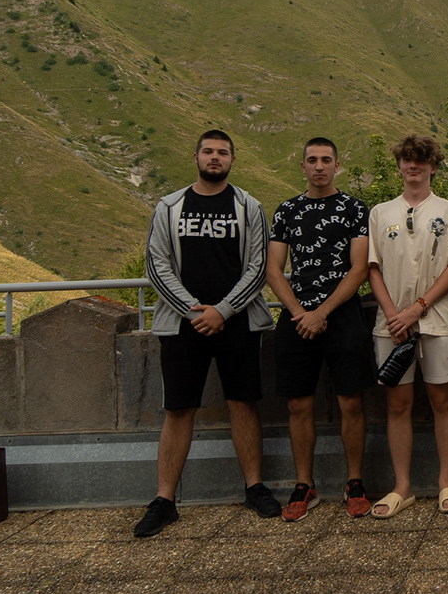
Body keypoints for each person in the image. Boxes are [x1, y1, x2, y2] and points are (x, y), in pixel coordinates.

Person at [134, 129, 278, 537]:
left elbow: (259, 267)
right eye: (209, 152)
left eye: (223, 152)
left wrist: (223, 310)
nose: (215, 158)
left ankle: (254, 487)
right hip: (184, 324)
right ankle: (164, 500)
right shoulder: (169, 206)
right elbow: (156, 264)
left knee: (243, 403)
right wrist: (194, 310)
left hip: (238, 322)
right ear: (196, 157)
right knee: (178, 408)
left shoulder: (249, 206)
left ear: (232, 160)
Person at [267, 137, 374, 521]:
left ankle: (354, 482)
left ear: (336, 165)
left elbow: (359, 268)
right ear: (303, 166)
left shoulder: (354, 209)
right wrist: (301, 312)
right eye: (312, 160)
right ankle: (304, 484)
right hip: (297, 317)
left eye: (326, 160)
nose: (319, 166)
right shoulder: (287, 211)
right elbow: (273, 269)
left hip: (343, 315)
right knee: (297, 403)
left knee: (351, 402)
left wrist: (323, 311)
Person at [366, 134, 448, 519]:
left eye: (421, 160)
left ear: (433, 167)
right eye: (408, 160)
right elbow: (372, 267)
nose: (413, 166)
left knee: (443, 400)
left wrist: (416, 310)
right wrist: (395, 314)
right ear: (399, 166)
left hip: (437, 321)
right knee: (397, 404)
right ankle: (402, 487)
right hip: (390, 324)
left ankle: (446, 481)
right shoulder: (380, 212)